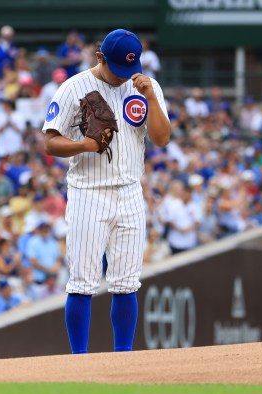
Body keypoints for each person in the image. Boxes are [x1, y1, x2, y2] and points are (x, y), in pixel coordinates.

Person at [42, 29, 171, 353]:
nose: (123, 76)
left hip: (129, 189)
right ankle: (79, 359)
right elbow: (50, 142)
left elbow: (161, 139)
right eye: (117, 68)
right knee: (83, 282)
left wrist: (152, 99)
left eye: (130, 67)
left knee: (127, 283)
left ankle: (123, 358)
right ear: (100, 58)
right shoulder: (73, 88)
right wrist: (85, 144)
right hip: (89, 190)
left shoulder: (145, 86)